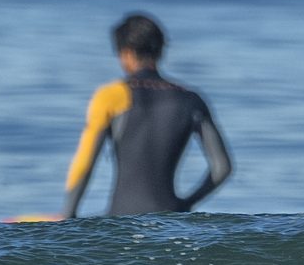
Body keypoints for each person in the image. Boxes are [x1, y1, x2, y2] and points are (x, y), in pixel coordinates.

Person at [59, 13, 234, 219]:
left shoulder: (110, 95)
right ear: (160, 51)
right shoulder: (191, 99)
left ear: (127, 53)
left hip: (122, 222)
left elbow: (85, 162)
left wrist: (68, 215)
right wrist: (184, 205)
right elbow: (222, 168)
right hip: (171, 223)